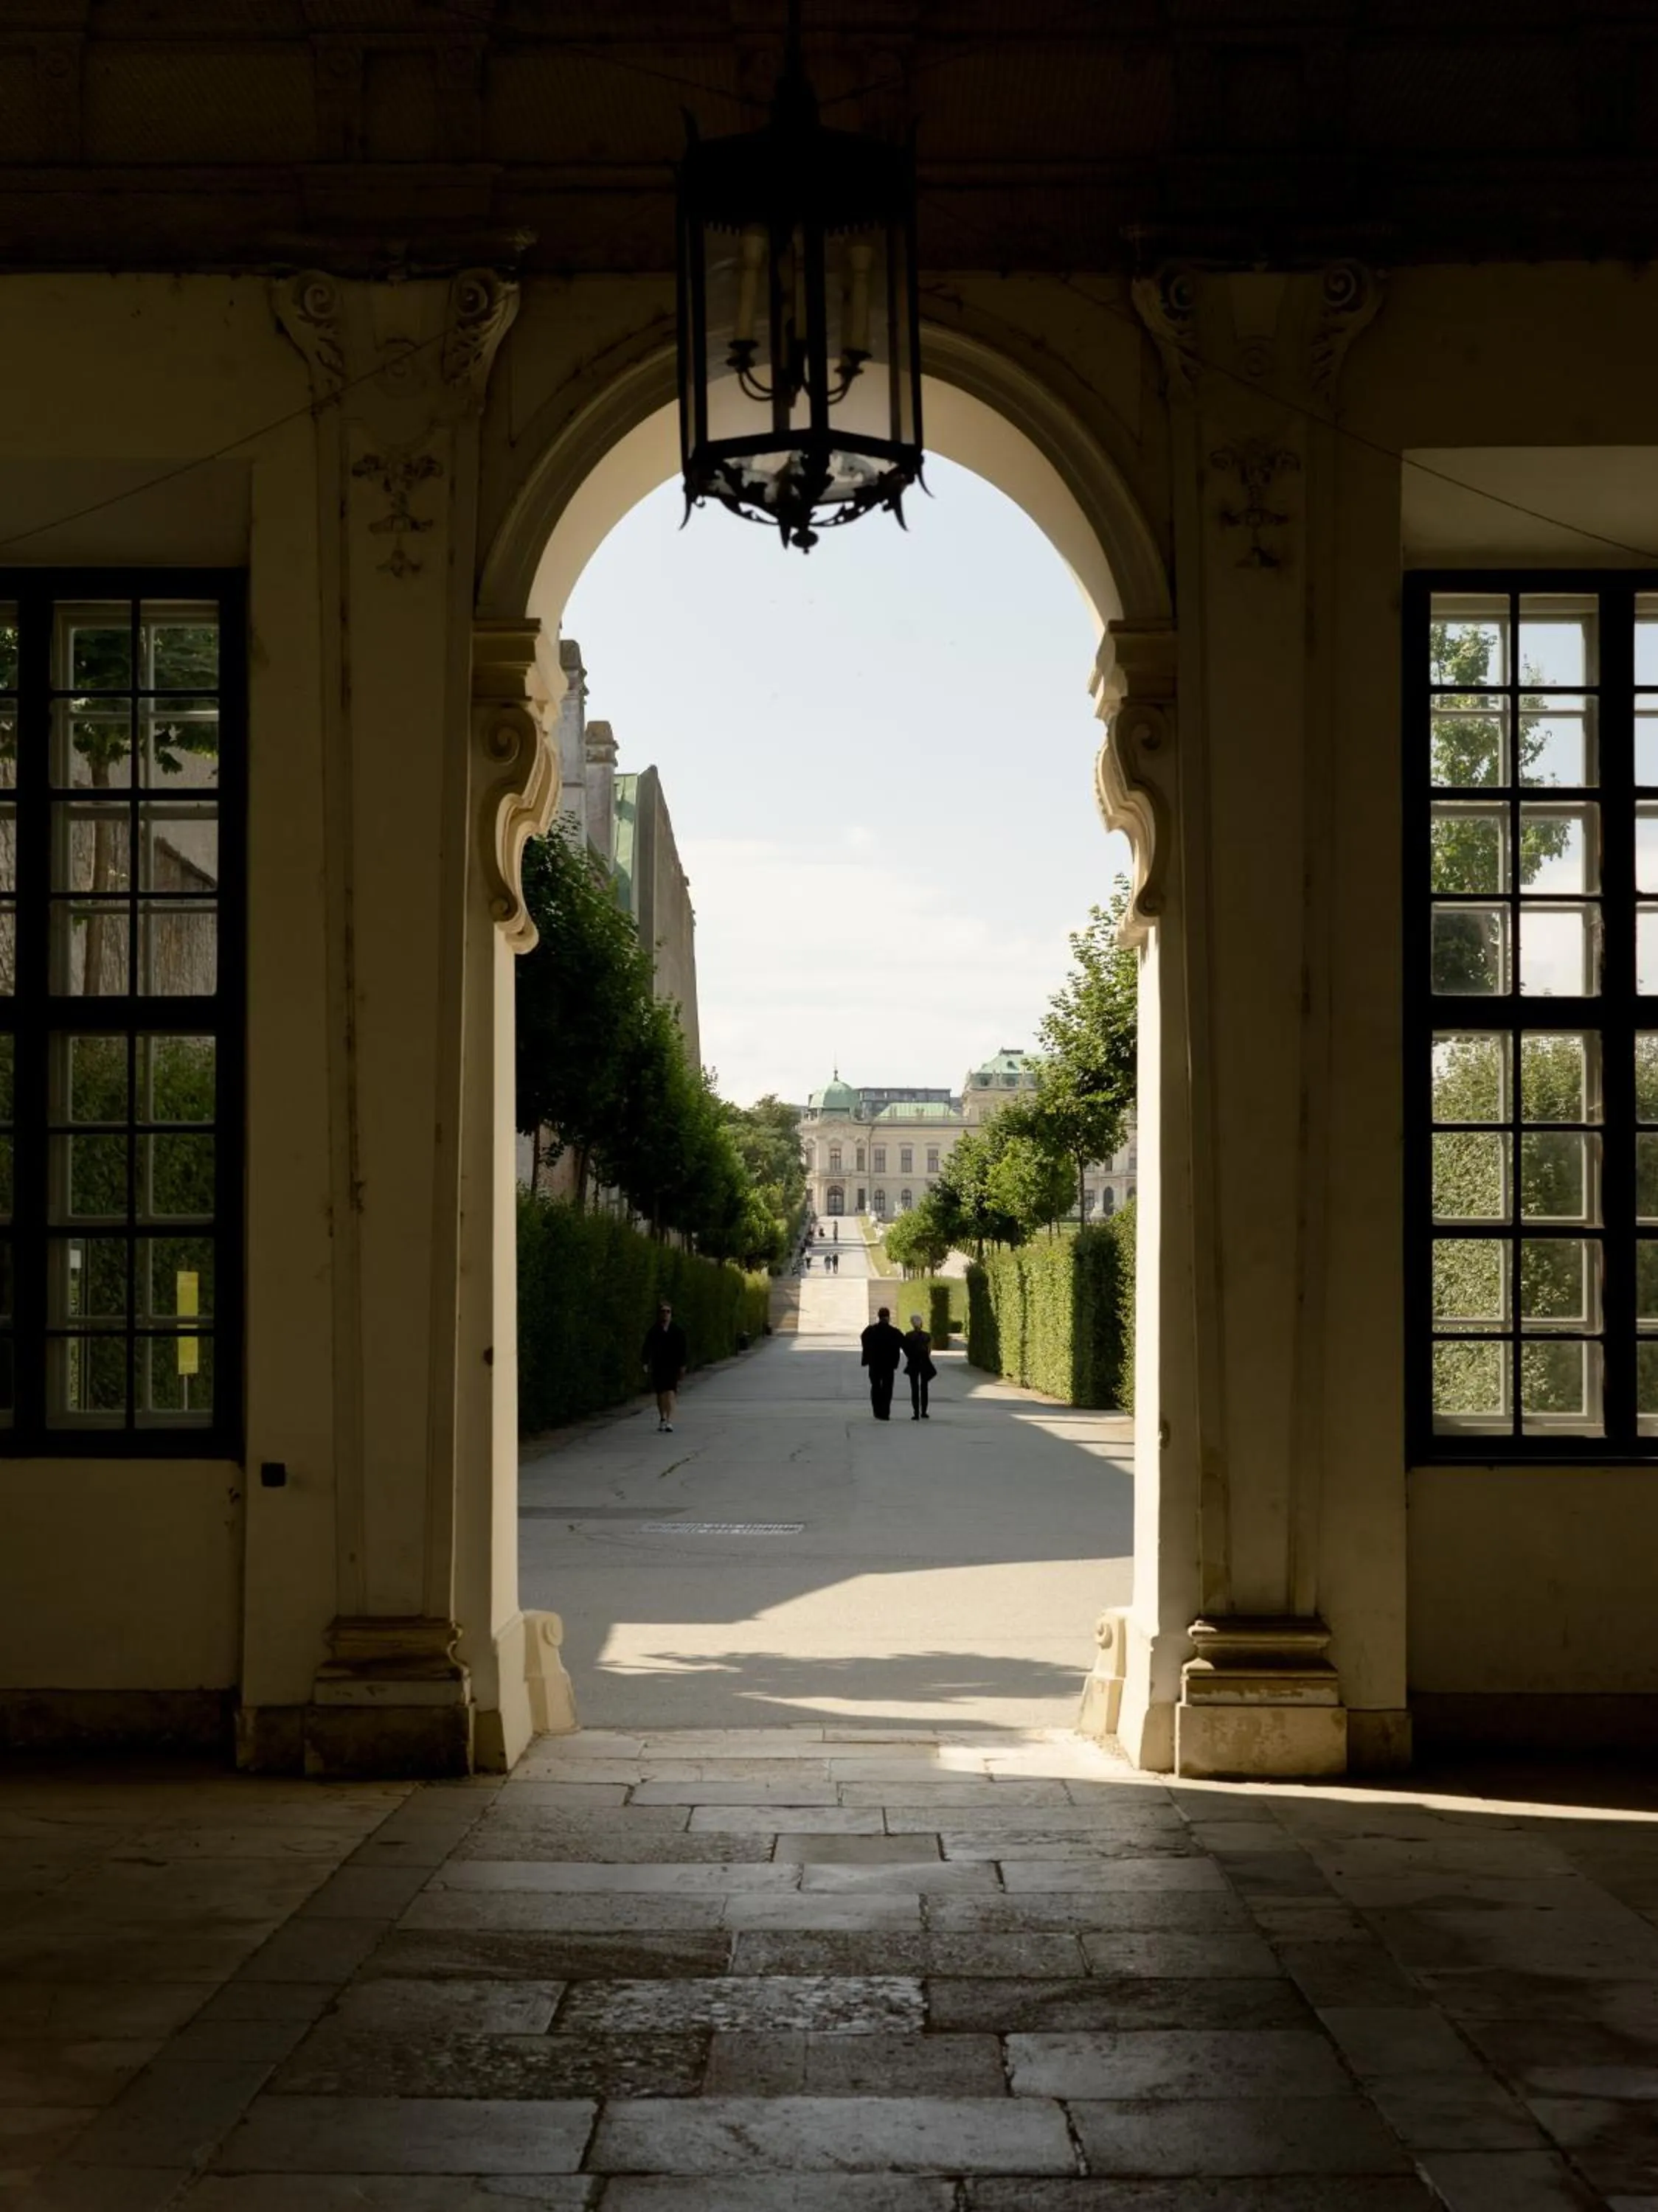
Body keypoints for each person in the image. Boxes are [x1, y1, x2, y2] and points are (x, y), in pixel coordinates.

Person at [640, 1299, 687, 1433]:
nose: (666, 1314)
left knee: (671, 1392)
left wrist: (683, 1365)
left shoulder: (677, 1331)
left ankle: (670, 1421)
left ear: (672, 1314)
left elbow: (683, 1349)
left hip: (672, 1365)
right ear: (659, 1314)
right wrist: (645, 1362)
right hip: (659, 1365)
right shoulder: (654, 1331)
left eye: (668, 1311)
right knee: (661, 1393)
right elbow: (647, 1347)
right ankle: (662, 1418)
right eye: (663, 1312)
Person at [859, 1305, 904, 1422]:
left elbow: (863, 1337)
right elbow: (905, 1343)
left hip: (875, 1364)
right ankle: (885, 1412)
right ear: (888, 1317)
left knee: (875, 1387)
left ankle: (877, 1411)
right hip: (888, 1365)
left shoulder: (871, 1330)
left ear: (879, 1317)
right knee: (887, 1388)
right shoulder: (894, 1332)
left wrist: (868, 1355)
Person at [903, 1311, 936, 1420]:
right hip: (924, 1363)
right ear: (921, 1324)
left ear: (912, 1324)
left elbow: (906, 1350)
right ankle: (924, 1412)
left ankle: (916, 1412)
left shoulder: (908, 1336)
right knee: (924, 1387)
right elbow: (929, 1351)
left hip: (913, 1363)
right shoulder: (928, 1336)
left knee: (914, 1387)